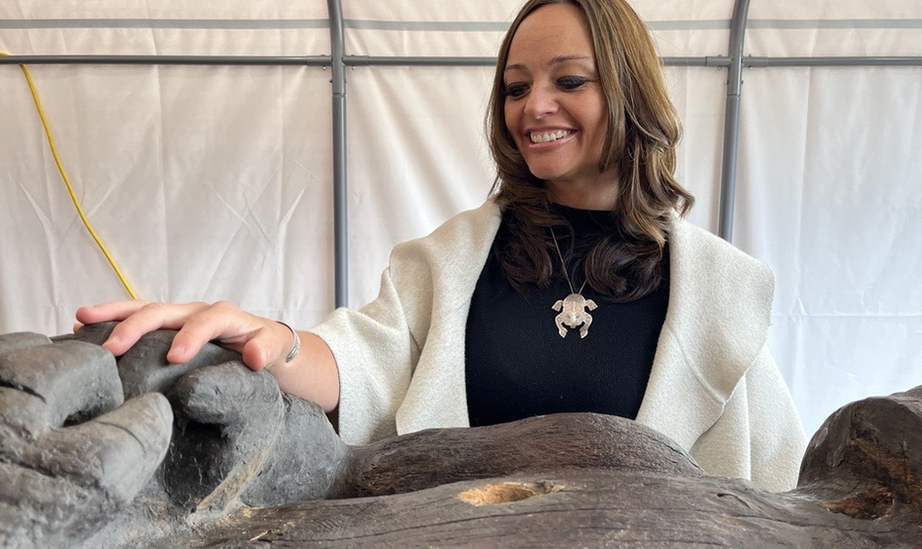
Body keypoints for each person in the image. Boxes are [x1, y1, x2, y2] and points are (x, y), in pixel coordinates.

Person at [76, 0, 807, 492]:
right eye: (516, 88)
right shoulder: (454, 261)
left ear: (631, 93)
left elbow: (782, 484)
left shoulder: (719, 293)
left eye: (570, 80)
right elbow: (363, 358)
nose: (534, 107)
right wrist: (264, 337)